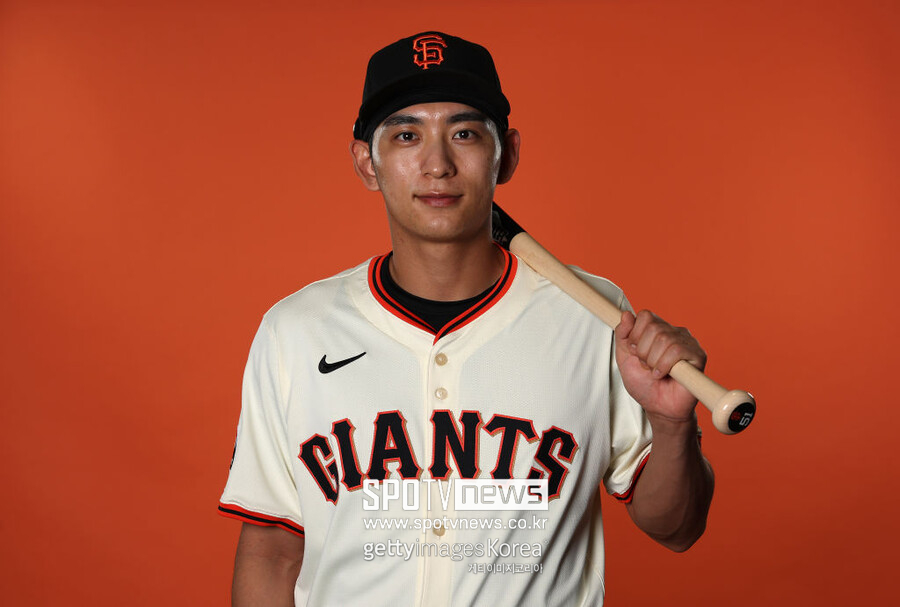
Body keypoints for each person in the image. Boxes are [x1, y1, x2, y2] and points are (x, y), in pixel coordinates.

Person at [219, 31, 714, 606]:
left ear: (508, 155)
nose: (438, 165)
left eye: (464, 134)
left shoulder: (592, 314)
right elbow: (272, 551)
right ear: (366, 162)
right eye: (407, 135)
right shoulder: (295, 331)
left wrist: (673, 425)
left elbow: (677, 528)